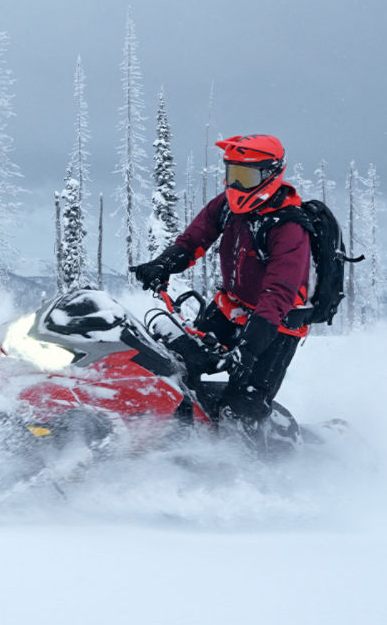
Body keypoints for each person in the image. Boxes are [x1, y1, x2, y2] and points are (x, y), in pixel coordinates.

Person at [130, 134, 312, 429]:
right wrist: (163, 264)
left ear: (271, 174)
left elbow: (280, 292)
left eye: (246, 176)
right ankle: (173, 432)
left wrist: (251, 346)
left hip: (276, 324)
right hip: (230, 308)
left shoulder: (289, 226)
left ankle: (256, 466)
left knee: (243, 408)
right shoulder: (227, 206)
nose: (236, 185)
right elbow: (194, 239)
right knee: (177, 364)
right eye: (233, 175)